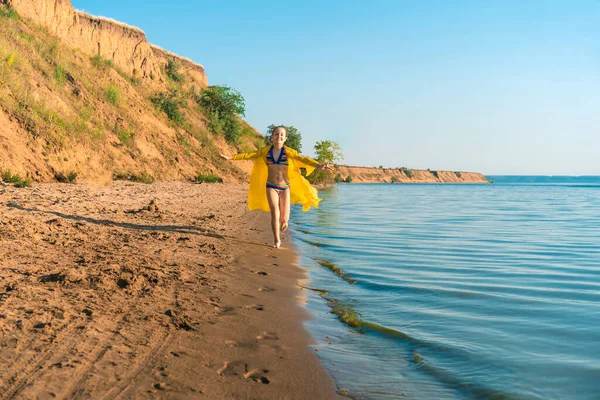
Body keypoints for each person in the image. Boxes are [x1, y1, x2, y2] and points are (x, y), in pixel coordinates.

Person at [220, 126, 332, 248]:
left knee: (284, 218)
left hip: (285, 188)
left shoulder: (288, 152)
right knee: (275, 212)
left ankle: (284, 222)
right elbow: (249, 155)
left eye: (282, 135)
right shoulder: (265, 151)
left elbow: (303, 159)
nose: (279, 136)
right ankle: (277, 240)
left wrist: (318, 165)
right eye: (276, 134)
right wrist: (230, 157)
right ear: (272, 137)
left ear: (285, 138)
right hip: (271, 186)